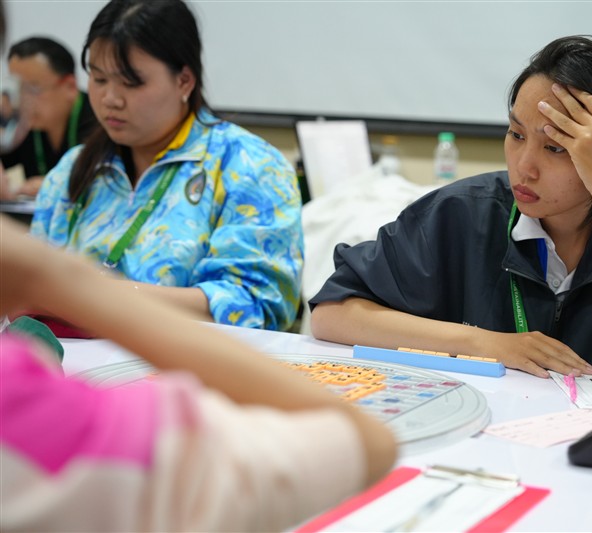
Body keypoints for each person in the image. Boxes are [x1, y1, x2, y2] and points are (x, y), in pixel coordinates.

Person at [310, 36, 592, 386]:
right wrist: (484, 343)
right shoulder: (463, 212)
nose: (525, 167)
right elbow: (332, 313)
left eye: (556, 147)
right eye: (517, 135)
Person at [0, 215, 396, 531]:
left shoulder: (246, 164)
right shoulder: (34, 416)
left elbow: (255, 302)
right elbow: (364, 441)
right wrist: (61, 280)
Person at [31, 0, 304, 330]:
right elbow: (32, 286)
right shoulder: (73, 170)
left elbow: (256, 304)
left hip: (196, 359)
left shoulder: (250, 166)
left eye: (130, 82)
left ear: (184, 81)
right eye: (99, 79)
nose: (110, 99)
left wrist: (107, 297)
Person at [0, 37, 98, 200]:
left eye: (32, 89)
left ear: (69, 86)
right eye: (18, 89)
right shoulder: (24, 122)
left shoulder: (100, 122)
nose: (24, 101)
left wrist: (57, 184)